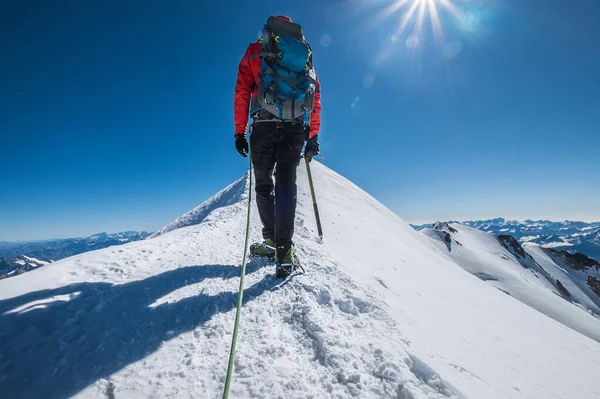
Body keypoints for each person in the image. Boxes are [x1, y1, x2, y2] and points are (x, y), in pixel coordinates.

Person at [233, 15, 322, 277]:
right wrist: (313, 136)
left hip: (263, 126)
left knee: (263, 184)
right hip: (295, 128)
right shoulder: (305, 60)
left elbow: (241, 91)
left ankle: (271, 240)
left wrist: (239, 131)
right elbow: (315, 99)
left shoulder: (256, 50)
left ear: (269, 31)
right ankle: (284, 254)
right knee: (286, 185)